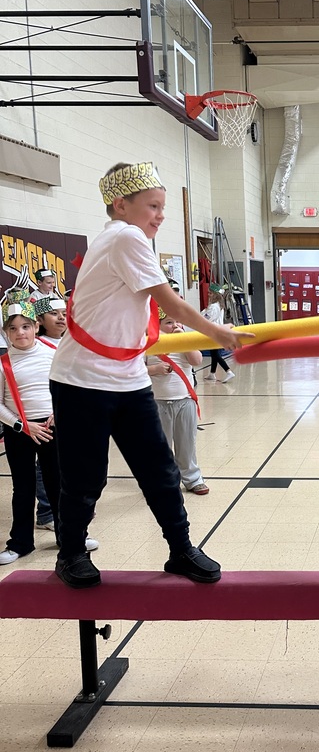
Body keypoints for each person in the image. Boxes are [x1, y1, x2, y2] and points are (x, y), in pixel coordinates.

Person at [49, 161, 248, 589]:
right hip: (82, 378)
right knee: (85, 476)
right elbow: (170, 303)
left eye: (163, 207)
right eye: (153, 206)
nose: (160, 215)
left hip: (127, 375)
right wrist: (219, 333)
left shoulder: (123, 238)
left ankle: (180, 550)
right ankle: (71, 555)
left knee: (158, 470)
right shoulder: (125, 236)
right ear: (121, 205)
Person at [0, 290, 98, 565]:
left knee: (60, 486)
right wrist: (22, 424)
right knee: (23, 488)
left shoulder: (54, 351)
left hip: (53, 427)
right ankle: (20, 542)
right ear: (5, 332)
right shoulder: (4, 363)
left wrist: (60, 411)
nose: (21, 333)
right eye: (13, 328)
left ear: (36, 327)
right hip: (20, 430)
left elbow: (71, 382)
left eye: (26, 327)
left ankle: (69, 537)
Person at [147, 309, 209, 496]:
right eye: (168, 323)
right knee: (160, 446)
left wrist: (185, 342)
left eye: (177, 322)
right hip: (158, 402)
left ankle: (192, 478)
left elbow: (197, 360)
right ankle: (162, 480)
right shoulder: (149, 342)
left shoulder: (185, 342)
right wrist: (156, 369)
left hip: (185, 400)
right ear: (157, 325)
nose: (174, 326)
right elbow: (135, 368)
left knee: (187, 443)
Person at [32, 295, 67, 532]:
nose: (61, 317)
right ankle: (46, 512)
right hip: (46, 414)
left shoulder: (70, 342)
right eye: (54, 314)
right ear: (40, 321)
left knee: (67, 463)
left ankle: (66, 507)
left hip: (69, 411)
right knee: (45, 466)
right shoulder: (38, 345)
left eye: (64, 313)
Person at [203, 285, 235, 383]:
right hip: (217, 332)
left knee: (216, 355)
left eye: (210, 293)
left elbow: (207, 319)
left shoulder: (214, 307)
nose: (208, 295)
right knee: (214, 353)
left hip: (214, 332)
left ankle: (228, 371)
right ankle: (212, 373)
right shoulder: (219, 305)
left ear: (216, 295)